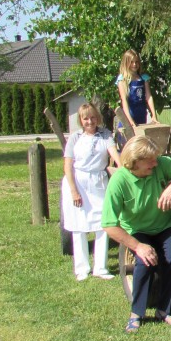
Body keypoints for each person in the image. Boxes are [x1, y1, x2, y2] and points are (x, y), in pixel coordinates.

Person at [101, 136, 171, 333]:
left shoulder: (160, 165)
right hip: (137, 229)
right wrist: (137, 246)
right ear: (135, 161)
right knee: (145, 261)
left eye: (156, 159)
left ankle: (164, 310)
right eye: (150, 160)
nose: (155, 163)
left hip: (165, 224)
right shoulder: (119, 181)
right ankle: (136, 313)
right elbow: (109, 225)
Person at [61, 103, 121, 281]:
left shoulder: (105, 135)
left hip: (98, 182)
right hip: (78, 181)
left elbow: (114, 155)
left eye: (93, 117)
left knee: (102, 223)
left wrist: (125, 169)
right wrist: (74, 191)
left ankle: (100, 268)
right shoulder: (75, 138)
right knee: (79, 226)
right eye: (86, 118)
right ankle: (82, 268)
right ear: (81, 120)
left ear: (98, 118)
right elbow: (68, 165)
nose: (90, 121)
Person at [116, 49, 158, 127]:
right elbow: (124, 101)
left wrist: (154, 115)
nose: (134, 64)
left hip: (141, 115)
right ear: (126, 63)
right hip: (129, 116)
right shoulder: (122, 79)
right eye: (131, 62)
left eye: (136, 62)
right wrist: (130, 120)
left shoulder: (143, 78)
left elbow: (149, 97)